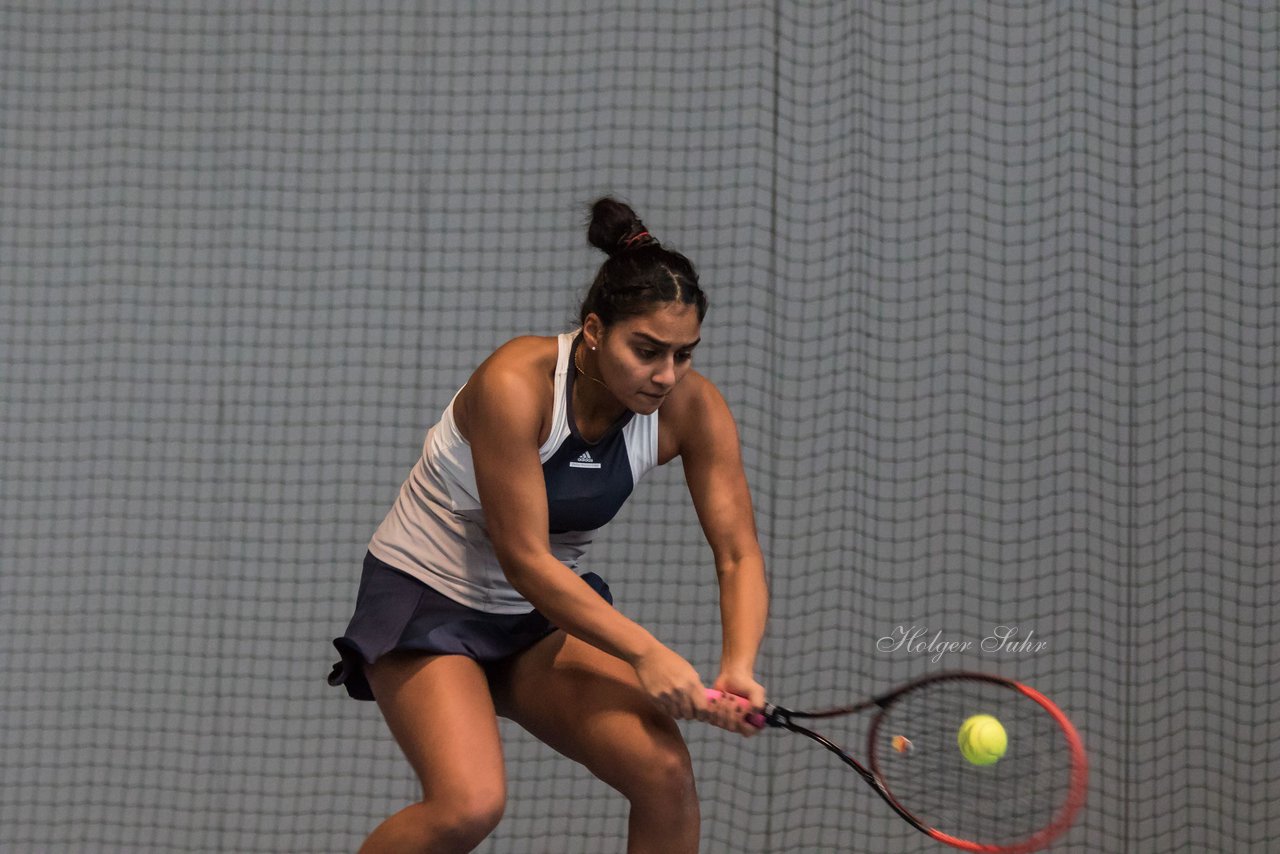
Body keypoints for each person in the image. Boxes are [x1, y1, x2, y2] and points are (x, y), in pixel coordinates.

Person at [329, 197, 769, 854]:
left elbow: (737, 555)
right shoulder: (515, 383)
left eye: (684, 354)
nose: (666, 375)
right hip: (428, 600)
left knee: (665, 775)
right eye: (647, 350)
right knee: (468, 805)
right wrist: (646, 653)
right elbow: (525, 559)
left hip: (539, 620)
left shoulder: (691, 408)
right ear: (594, 330)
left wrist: (737, 666)